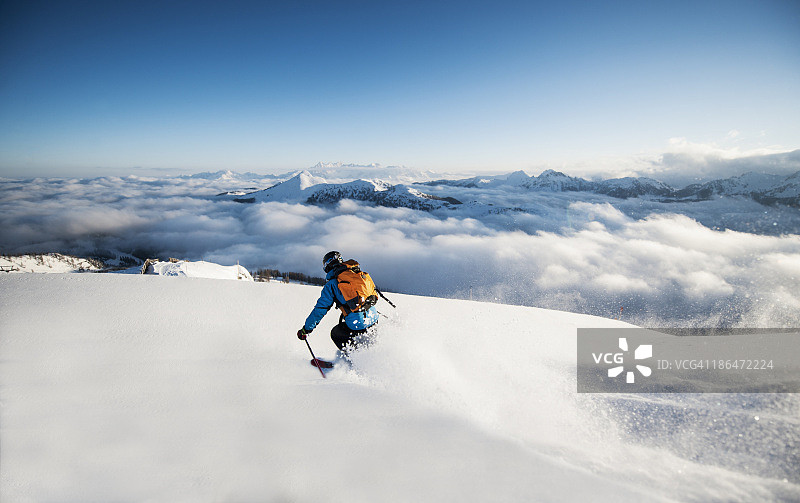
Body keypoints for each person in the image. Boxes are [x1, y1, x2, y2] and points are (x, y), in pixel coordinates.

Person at [297, 251, 380, 353]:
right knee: (369, 340)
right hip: (374, 318)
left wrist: (306, 329)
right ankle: (372, 355)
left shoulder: (332, 284)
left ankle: (354, 360)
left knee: (336, 334)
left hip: (357, 324)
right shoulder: (356, 273)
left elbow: (320, 309)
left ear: (327, 266)